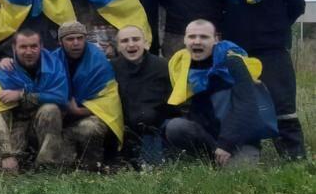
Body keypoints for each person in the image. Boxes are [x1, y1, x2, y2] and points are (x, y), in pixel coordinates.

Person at [220, 0, 306, 159]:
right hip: (237, 49)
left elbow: (297, 4)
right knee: (240, 102)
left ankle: (294, 158)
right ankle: (247, 153)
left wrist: (275, 27)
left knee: (282, 103)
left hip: (272, 46)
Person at [164, 20, 275, 167]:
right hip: (207, 138)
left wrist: (226, 144)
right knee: (175, 127)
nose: (197, 41)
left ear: (216, 39)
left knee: (238, 179)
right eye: (192, 37)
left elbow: (247, 107)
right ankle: (206, 159)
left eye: (204, 37)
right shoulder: (180, 66)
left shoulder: (233, 62)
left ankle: (225, 159)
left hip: (239, 139)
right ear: (184, 39)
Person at [0, 29, 70, 173]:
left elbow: (61, 97)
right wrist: (6, 153)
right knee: (7, 170)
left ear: (41, 46)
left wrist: (22, 94)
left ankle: (47, 168)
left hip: (46, 122)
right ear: (14, 48)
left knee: (50, 109)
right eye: (23, 47)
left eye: (33, 46)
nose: (29, 51)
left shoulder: (54, 65)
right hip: (18, 122)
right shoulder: (4, 72)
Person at [57, 21, 123, 170]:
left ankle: (91, 167)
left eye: (80, 38)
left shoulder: (98, 61)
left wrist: (78, 111)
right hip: (61, 114)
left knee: (89, 127)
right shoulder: (52, 60)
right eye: (70, 39)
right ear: (60, 42)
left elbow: (109, 100)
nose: (76, 43)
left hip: (91, 115)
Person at [111, 24, 172, 168]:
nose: (131, 44)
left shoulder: (163, 66)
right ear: (118, 47)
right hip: (123, 128)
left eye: (136, 39)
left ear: (145, 43)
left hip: (155, 128)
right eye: (125, 41)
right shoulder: (111, 68)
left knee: (153, 171)